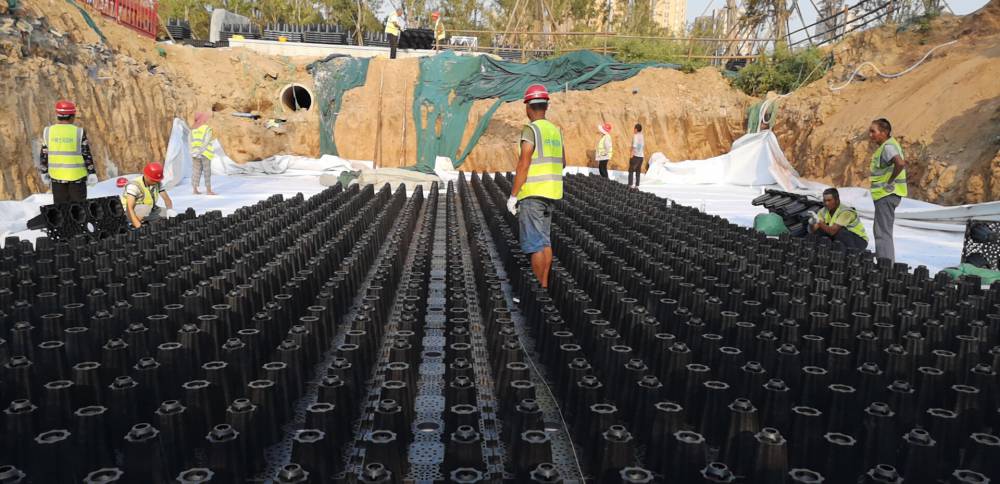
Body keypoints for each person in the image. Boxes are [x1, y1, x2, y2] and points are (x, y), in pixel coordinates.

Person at [507, 84, 565, 289]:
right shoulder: (555, 131)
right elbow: (563, 162)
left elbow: (524, 162)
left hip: (533, 195)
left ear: (528, 107)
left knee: (534, 245)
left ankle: (538, 290)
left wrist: (514, 195)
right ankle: (544, 284)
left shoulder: (531, 130)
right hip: (552, 193)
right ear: (546, 106)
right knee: (545, 241)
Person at [39, 100, 98, 203]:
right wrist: (91, 173)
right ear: (72, 116)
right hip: (77, 178)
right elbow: (86, 154)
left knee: (62, 210)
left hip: (57, 177)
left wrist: (44, 172)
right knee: (79, 210)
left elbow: (44, 154)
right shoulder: (79, 132)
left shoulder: (48, 131)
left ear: (58, 115)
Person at [868, 118, 907, 262]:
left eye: (873, 131)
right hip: (886, 196)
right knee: (882, 230)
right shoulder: (887, 146)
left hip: (886, 195)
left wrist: (890, 180)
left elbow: (900, 163)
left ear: (884, 132)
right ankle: (885, 264)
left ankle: (885, 266)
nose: (870, 135)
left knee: (882, 232)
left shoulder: (888, 147)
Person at [122, 162, 173, 229]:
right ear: (146, 175)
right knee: (145, 209)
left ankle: (146, 222)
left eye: (157, 180)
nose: (155, 182)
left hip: (148, 209)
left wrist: (169, 210)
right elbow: (129, 207)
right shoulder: (134, 185)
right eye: (153, 180)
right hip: (127, 213)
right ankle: (132, 224)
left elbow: (166, 199)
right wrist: (138, 227)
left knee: (164, 213)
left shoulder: (157, 183)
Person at [190, 112, 217, 195]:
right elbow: (206, 140)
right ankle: (208, 190)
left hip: (195, 153)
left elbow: (190, 141)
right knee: (207, 172)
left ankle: (195, 190)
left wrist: (193, 151)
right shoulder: (207, 129)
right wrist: (200, 151)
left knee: (196, 171)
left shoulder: (193, 129)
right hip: (205, 153)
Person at [628, 123, 644, 190]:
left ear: (636, 129)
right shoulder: (642, 136)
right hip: (641, 157)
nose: (633, 130)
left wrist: (631, 155)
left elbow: (634, 146)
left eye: (634, 128)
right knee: (638, 171)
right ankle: (637, 186)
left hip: (636, 156)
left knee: (631, 171)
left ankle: (630, 186)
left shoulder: (636, 136)